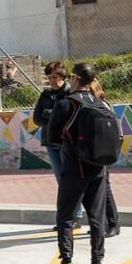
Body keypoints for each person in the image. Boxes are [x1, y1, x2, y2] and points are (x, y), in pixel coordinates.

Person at [46, 62, 111, 264]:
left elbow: (52, 137)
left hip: (74, 168)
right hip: (99, 169)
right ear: (92, 81)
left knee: (65, 216)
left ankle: (67, 263)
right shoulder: (103, 104)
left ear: (74, 78)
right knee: (97, 217)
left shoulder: (66, 104)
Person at [33, 61, 83, 230]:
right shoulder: (45, 94)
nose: (52, 81)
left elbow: (70, 116)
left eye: (55, 77)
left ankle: (75, 216)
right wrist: (55, 115)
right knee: (61, 180)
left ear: (62, 76)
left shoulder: (70, 93)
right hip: (50, 141)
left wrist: (49, 114)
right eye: (49, 78)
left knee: (70, 178)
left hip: (66, 143)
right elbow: (37, 118)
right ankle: (67, 217)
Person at [88, 77, 120, 239]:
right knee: (97, 188)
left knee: (104, 188)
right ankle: (102, 222)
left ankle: (113, 223)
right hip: (97, 151)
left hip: (103, 151)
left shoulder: (102, 104)